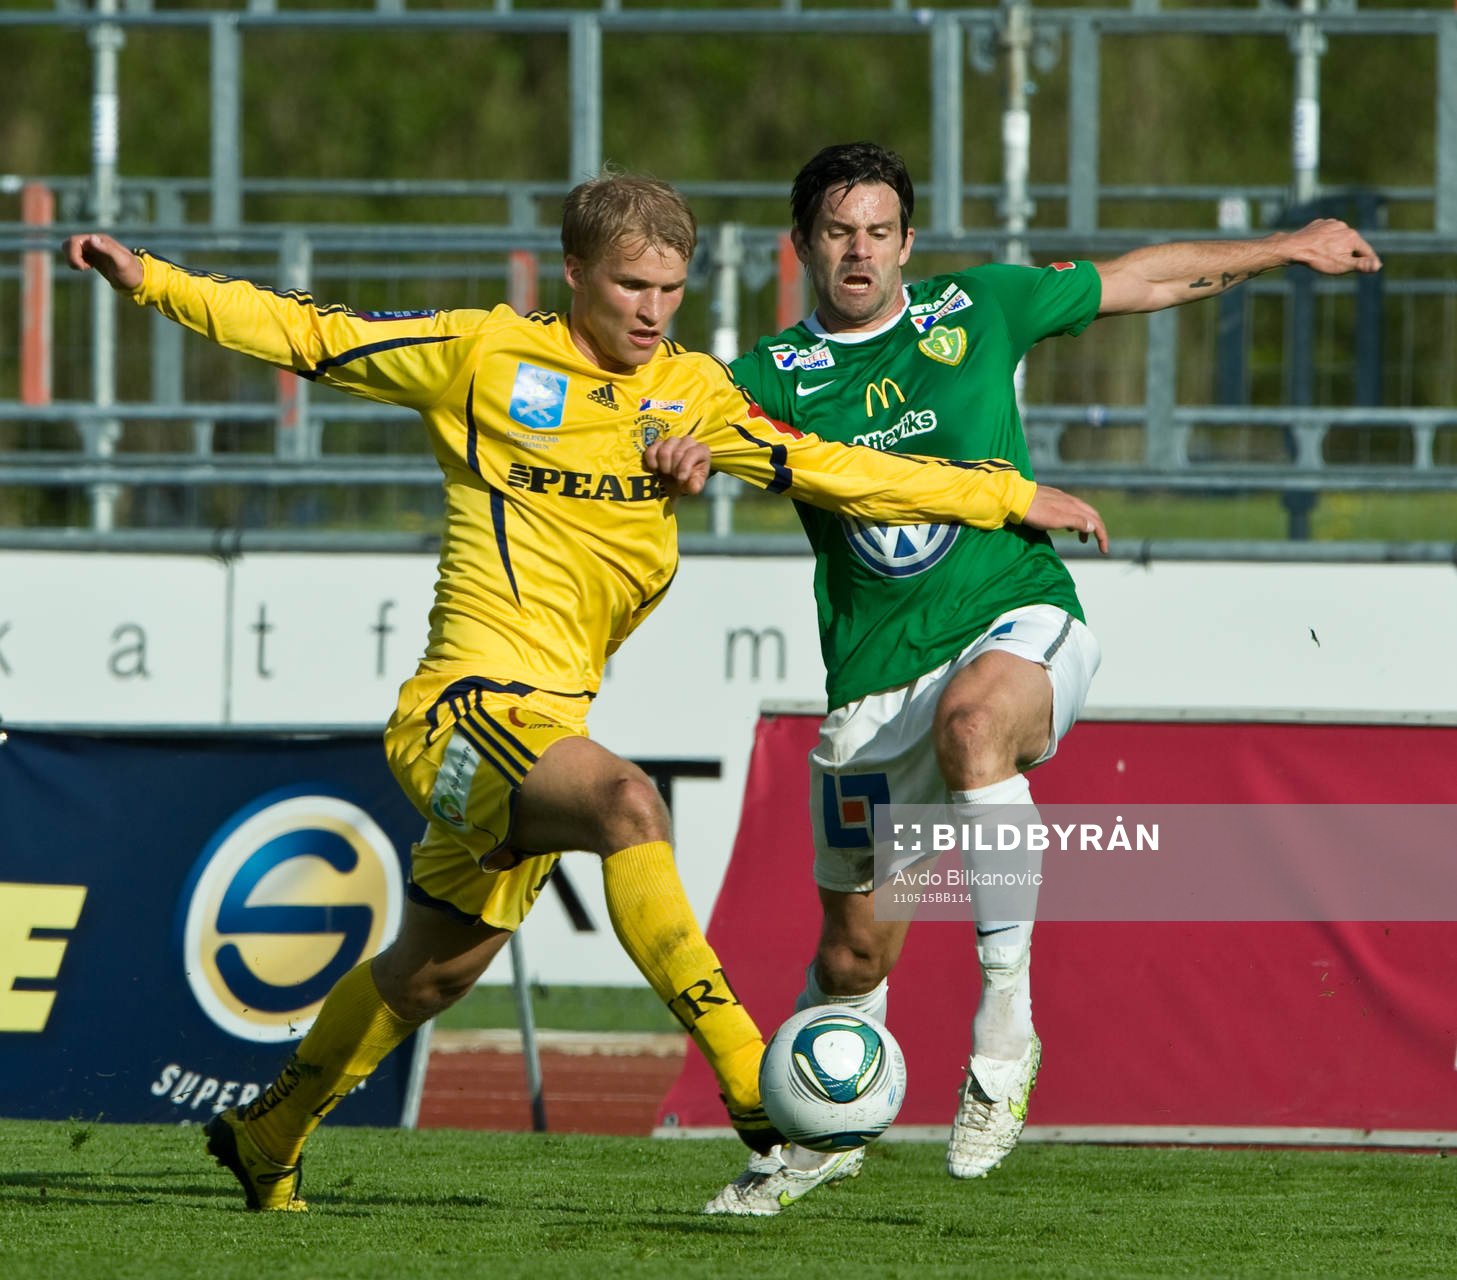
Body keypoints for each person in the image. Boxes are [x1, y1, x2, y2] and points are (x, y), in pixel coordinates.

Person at [64, 171, 1105, 1213]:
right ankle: (752, 1082)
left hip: (547, 727)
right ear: (572, 273)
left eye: (671, 289)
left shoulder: (692, 394)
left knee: (431, 972)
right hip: (460, 710)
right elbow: (305, 331)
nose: (652, 312)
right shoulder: (481, 354)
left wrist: (1003, 492)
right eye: (629, 287)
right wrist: (147, 278)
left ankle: (267, 1131)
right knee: (627, 803)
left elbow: (845, 470)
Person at [702, 141, 1383, 1215]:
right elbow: (667, 424)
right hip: (874, 681)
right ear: (801, 247)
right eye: (838, 232)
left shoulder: (974, 307)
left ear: (907, 244)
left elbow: (1140, 278)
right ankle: (815, 1134)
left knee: (975, 725)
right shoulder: (762, 378)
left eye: (879, 230)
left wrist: (1281, 247)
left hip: (1012, 617)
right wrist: (680, 446)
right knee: (848, 956)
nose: (859, 251)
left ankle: (1004, 1030)